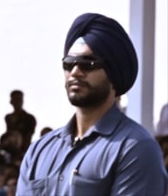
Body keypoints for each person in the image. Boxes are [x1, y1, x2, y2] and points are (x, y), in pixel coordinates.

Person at [17, 13, 168, 195]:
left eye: (88, 64)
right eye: (69, 63)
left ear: (114, 74)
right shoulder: (40, 150)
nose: (75, 72)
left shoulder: (136, 148)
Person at [5, 89, 36, 154]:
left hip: (24, 150)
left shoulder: (29, 118)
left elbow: (28, 137)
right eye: (15, 100)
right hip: (9, 148)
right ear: (11, 101)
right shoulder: (8, 118)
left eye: (19, 100)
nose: (18, 102)